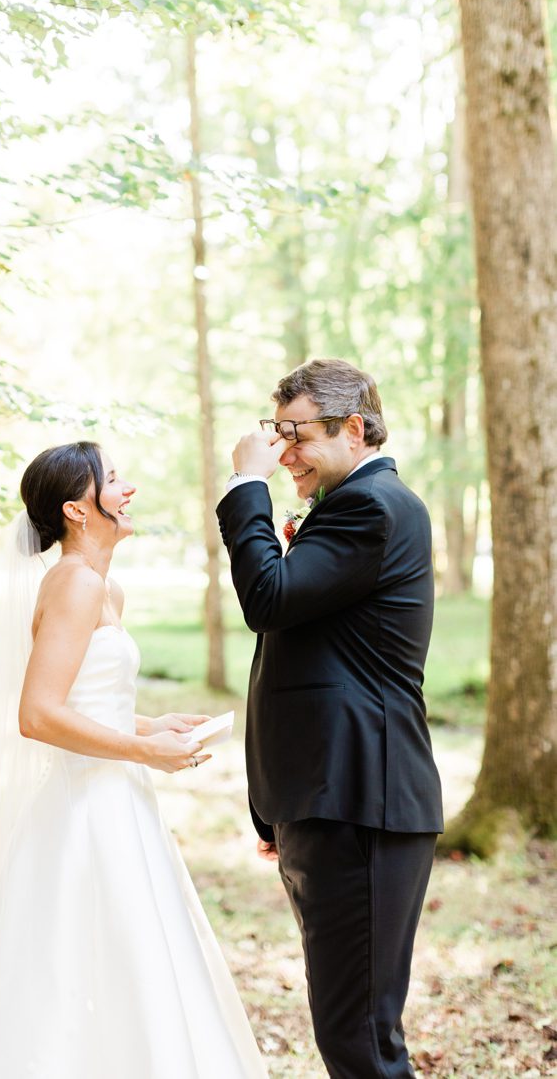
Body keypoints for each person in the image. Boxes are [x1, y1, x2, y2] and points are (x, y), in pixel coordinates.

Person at [0, 442, 266, 1078]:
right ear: (77, 509)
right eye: (113, 480)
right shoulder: (73, 584)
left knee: (137, 963)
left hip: (122, 799)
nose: (128, 489)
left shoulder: (107, 590)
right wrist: (144, 751)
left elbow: (82, 701)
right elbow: (37, 715)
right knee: (77, 965)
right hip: (83, 809)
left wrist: (150, 725)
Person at [218, 357, 442, 1079]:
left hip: (361, 804)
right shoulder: (352, 507)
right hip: (329, 804)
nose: (284, 454)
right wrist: (279, 816)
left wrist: (246, 484)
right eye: (275, 437)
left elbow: (268, 599)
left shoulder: (372, 507)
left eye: (296, 436)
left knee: (362, 1041)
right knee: (350, 1032)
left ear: (353, 428)